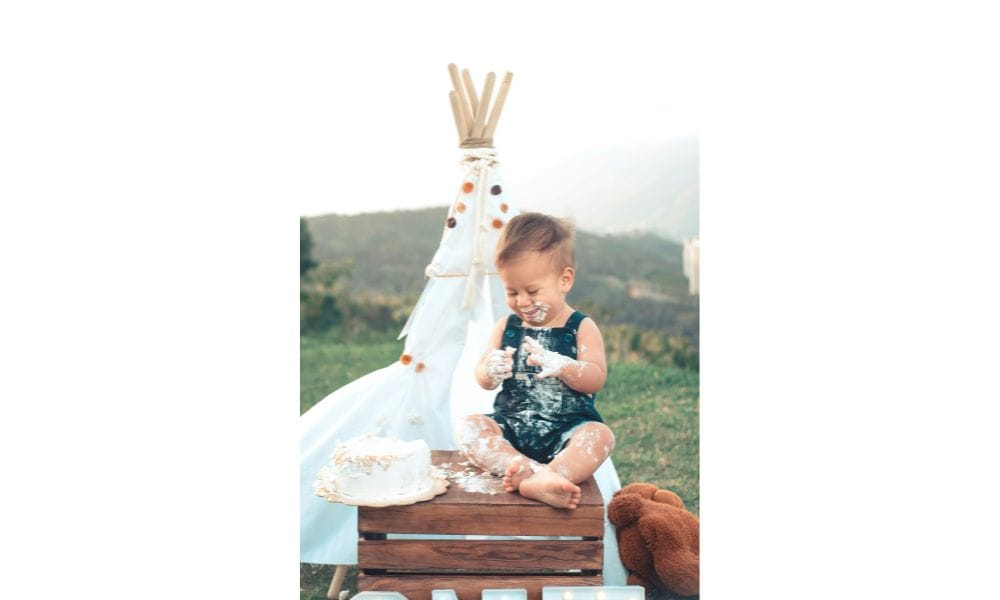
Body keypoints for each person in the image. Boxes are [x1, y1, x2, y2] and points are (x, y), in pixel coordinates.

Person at [455, 212, 616, 509]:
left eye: (532, 291)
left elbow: (596, 378)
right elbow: (483, 379)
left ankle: (550, 476)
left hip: (566, 431)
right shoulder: (506, 327)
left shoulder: (581, 327)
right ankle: (524, 470)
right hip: (513, 427)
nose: (522, 301)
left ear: (564, 280)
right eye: (512, 292)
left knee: (600, 436)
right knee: (470, 427)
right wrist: (489, 369)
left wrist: (565, 366)